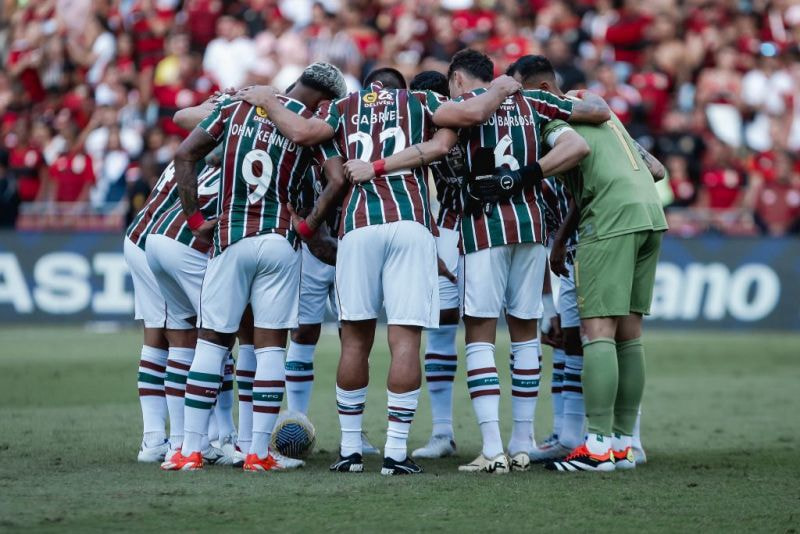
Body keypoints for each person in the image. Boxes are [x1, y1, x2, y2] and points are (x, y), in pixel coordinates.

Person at [236, 67, 462, 475]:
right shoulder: (421, 102)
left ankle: (350, 450)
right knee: (405, 338)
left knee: (355, 340)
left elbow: (304, 136)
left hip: (357, 226)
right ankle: (395, 453)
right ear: (400, 90)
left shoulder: (343, 107)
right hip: (410, 222)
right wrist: (500, 89)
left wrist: (269, 100)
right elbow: (459, 126)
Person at [160, 62, 348, 472]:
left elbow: (183, 153)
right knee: (268, 347)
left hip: (230, 236)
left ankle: (189, 449)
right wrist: (308, 224)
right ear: (326, 99)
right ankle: (258, 454)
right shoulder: (312, 123)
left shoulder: (236, 107)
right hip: (279, 240)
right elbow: (336, 179)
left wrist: (195, 222)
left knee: (211, 342)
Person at [429, 49, 609, 474]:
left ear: (456, 79)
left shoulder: (456, 106)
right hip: (531, 227)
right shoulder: (535, 102)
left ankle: (493, 448)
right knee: (526, 332)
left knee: (480, 334)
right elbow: (594, 120)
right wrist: (529, 175)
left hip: (483, 228)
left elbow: (455, 124)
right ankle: (523, 440)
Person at [518, 55, 667, 472]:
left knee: (596, 333)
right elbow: (655, 168)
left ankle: (597, 447)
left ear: (544, 91)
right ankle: (621, 445)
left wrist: (527, 173)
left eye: (521, 94)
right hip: (649, 216)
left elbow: (576, 150)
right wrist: (563, 236)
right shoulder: (596, 105)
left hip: (611, 222)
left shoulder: (555, 120)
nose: (517, 106)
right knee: (629, 336)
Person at [405, 71, 465, 460]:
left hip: (485, 230)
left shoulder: (466, 119)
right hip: (447, 230)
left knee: (516, 331)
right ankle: (443, 432)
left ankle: (525, 435)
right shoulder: (419, 135)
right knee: (441, 330)